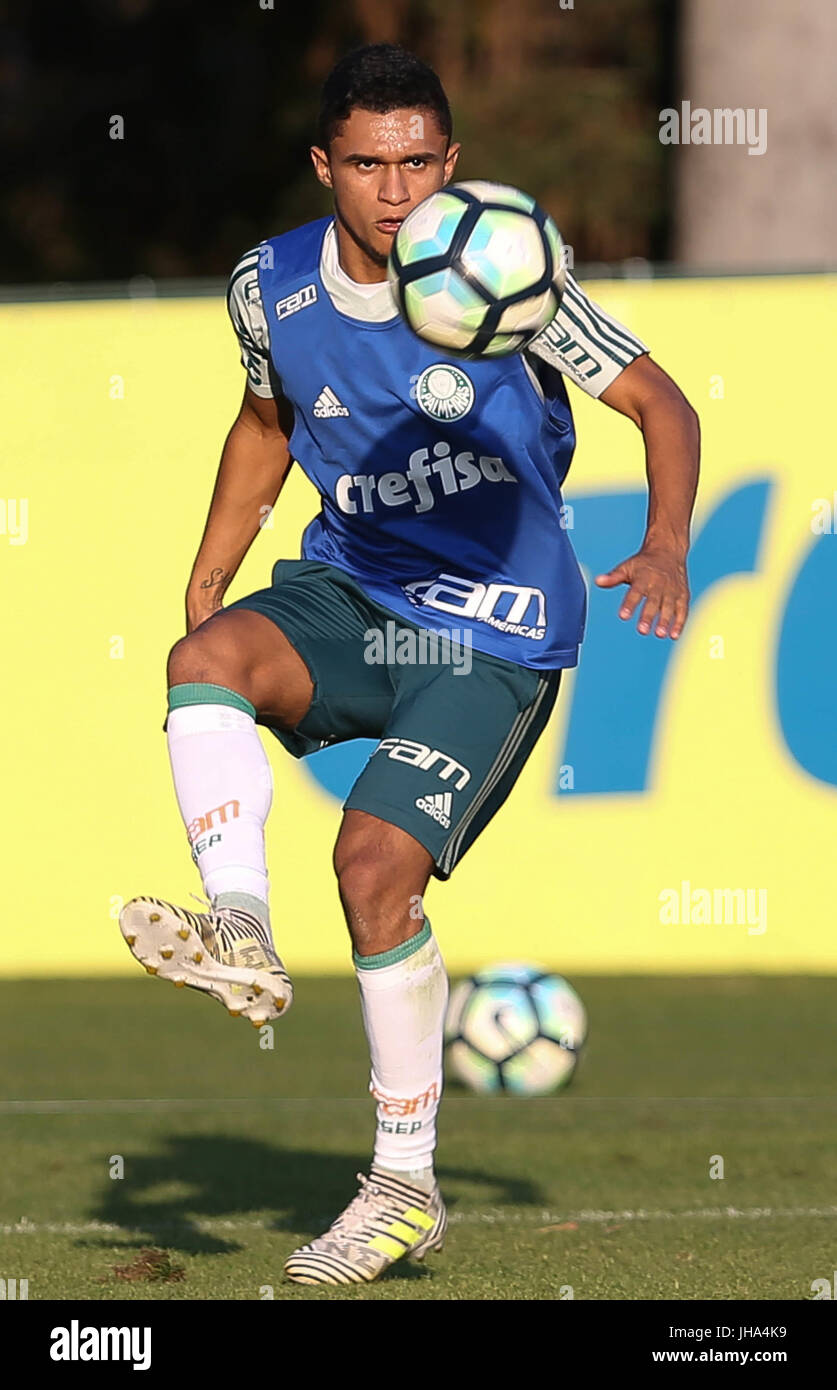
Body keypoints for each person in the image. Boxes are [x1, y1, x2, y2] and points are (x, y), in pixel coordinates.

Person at [119, 42, 699, 1286]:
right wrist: (215, 564)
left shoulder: (512, 271)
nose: (397, 190)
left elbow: (664, 405)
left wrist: (662, 546)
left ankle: (400, 1188)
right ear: (326, 165)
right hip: (354, 591)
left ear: (453, 162)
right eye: (371, 165)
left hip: (494, 633)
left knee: (372, 868)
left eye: (421, 161)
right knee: (200, 657)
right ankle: (241, 929)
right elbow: (267, 420)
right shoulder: (270, 285)